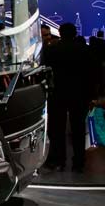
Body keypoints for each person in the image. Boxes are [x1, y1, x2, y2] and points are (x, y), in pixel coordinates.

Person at [42, 22, 98, 173]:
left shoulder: (52, 50)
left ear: (60, 33)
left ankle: (59, 160)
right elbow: (92, 74)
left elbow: (45, 71)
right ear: (75, 33)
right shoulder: (85, 50)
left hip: (58, 94)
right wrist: (92, 95)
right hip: (79, 95)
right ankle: (78, 162)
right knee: (78, 129)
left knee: (57, 129)